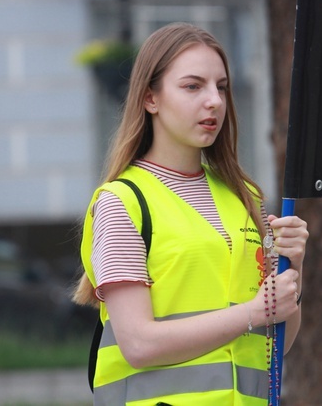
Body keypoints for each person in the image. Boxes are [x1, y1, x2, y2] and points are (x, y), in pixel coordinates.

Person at [73, 22, 308, 405]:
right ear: (150, 98)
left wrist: (292, 267)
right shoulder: (123, 203)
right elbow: (139, 344)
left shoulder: (245, 197)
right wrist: (254, 311)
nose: (214, 100)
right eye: (193, 86)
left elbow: (274, 345)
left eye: (222, 87)